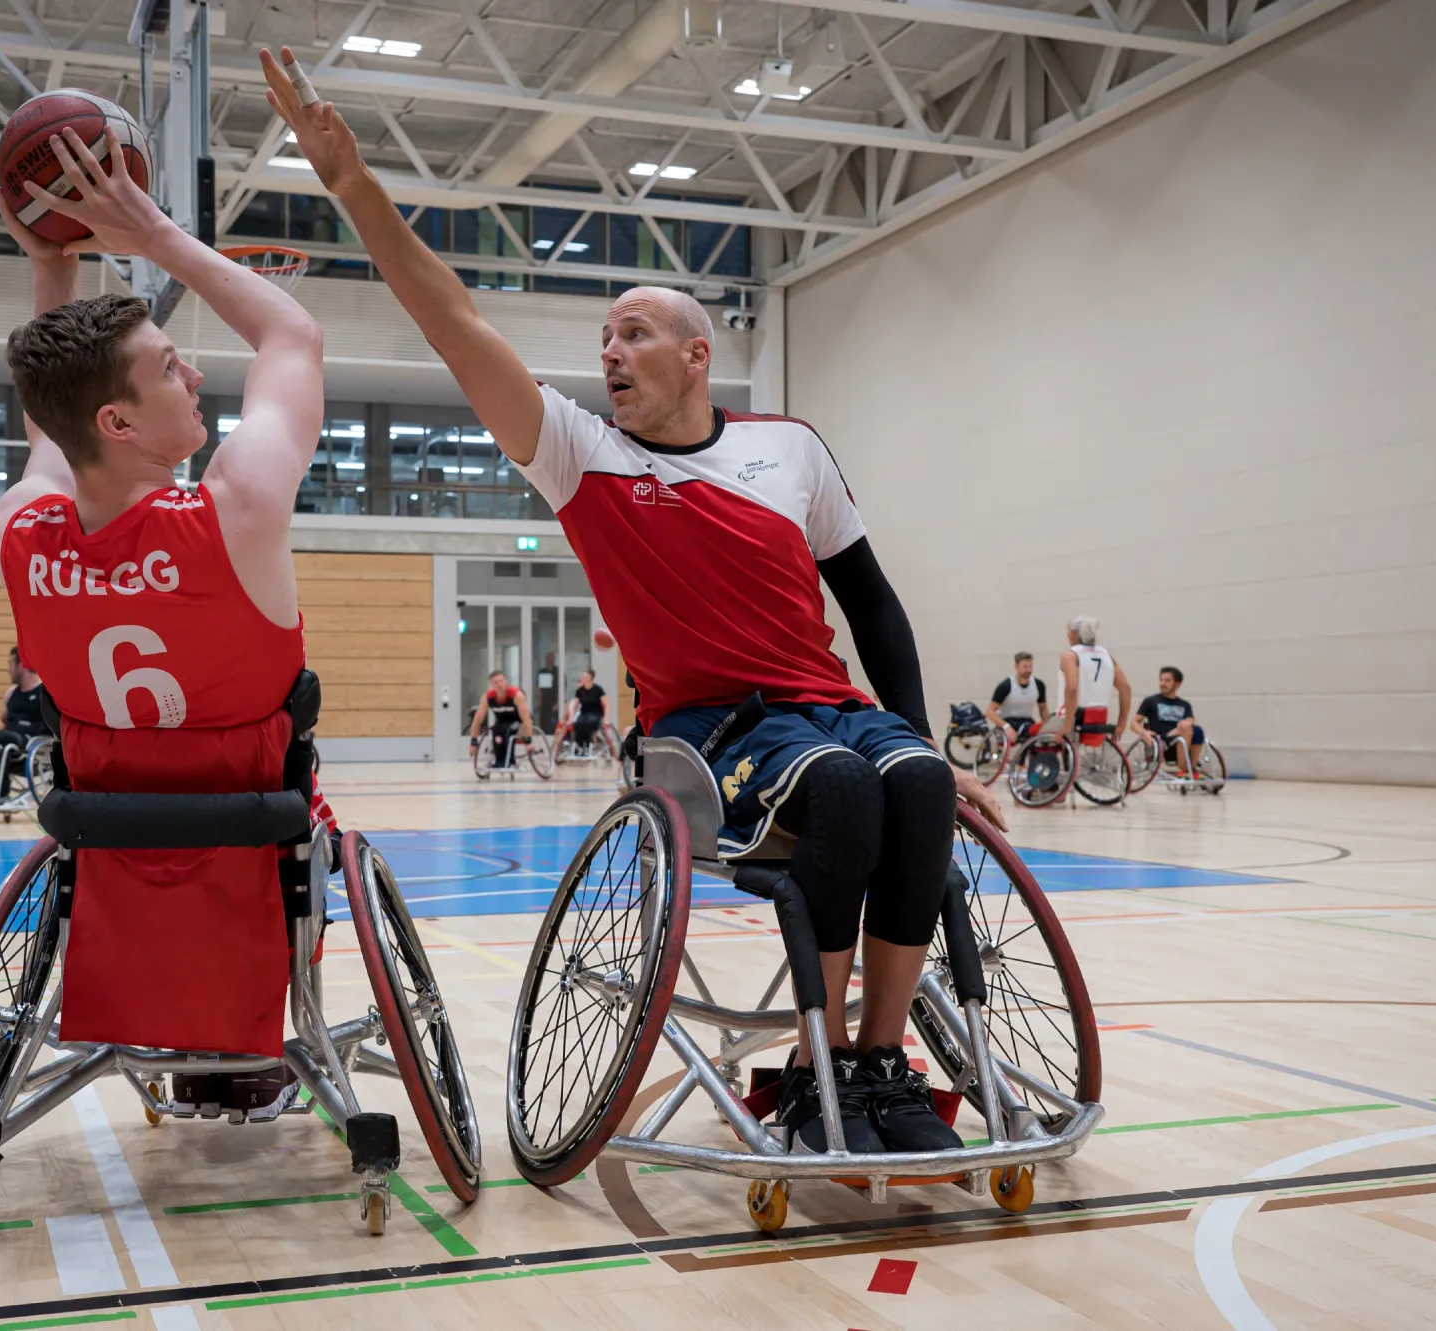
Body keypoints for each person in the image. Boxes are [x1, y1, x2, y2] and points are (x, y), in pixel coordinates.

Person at [263, 56, 1004, 1156]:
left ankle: (875, 1060)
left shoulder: (787, 450)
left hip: (827, 704)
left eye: (634, 334)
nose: (608, 351)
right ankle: (817, 1071)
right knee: (843, 789)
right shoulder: (580, 454)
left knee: (908, 775)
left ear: (697, 355)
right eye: (602, 339)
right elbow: (451, 319)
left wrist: (922, 736)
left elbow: (873, 605)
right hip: (708, 731)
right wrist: (356, 188)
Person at [0, 124, 330, 1100]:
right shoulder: (239, 512)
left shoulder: (21, 534)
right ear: (120, 423)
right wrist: (155, 234)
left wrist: (55, 268)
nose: (197, 374)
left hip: (101, 818)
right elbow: (292, 335)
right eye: (173, 367)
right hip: (255, 813)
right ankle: (254, 1028)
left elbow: (50, 431)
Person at [0, 647, 50, 801]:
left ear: (22, 666)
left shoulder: (45, 693)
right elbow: (2, 719)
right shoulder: (11, 693)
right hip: (10, 741)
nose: (8, 670)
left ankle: (1, 792)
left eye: (10, 664)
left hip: (31, 746)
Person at [1043, 616, 1132, 743]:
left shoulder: (1069, 655)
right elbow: (1126, 689)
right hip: (1100, 717)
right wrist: (1121, 725)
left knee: (1036, 737)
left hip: (1075, 716)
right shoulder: (1107, 656)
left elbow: (1072, 688)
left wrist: (1067, 725)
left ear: (1072, 634)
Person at [1134, 665, 1206, 774]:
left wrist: (1187, 722)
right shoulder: (1151, 701)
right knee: (1186, 730)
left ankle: (1193, 766)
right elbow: (1133, 723)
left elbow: (1191, 719)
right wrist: (1144, 733)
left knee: (1198, 730)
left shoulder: (1184, 704)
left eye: (1167, 681)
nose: (1162, 684)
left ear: (1177, 684)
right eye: (1161, 680)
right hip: (1162, 740)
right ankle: (1184, 769)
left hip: (1182, 737)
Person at [468, 671, 531, 774]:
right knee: (496, 729)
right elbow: (477, 719)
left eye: (501, 681)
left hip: (519, 721)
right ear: (492, 685)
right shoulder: (488, 697)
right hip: (502, 721)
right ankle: (499, 761)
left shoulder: (516, 695)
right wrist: (473, 741)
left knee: (507, 729)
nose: (499, 684)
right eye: (496, 682)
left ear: (506, 682)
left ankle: (510, 762)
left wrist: (528, 740)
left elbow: (526, 719)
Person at [985, 652, 1047, 741]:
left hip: (1027, 722)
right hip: (1008, 721)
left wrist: (1048, 726)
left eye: (1030, 666)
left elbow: (1043, 708)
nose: (1029, 670)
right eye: (1025, 667)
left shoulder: (1039, 685)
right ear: (1016, 667)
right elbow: (990, 711)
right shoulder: (1006, 686)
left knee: (1040, 734)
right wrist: (1006, 726)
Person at [554, 668, 608, 754]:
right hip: (584, 713)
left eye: (584, 676)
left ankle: (589, 743)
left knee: (588, 723)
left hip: (596, 713)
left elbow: (606, 704)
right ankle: (580, 746)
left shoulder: (598, 689)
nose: (581, 678)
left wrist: (606, 718)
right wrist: (571, 718)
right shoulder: (580, 691)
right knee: (578, 724)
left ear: (590, 677)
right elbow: (573, 705)